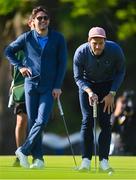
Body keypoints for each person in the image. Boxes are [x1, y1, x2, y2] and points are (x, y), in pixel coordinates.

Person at [5, 6, 67, 169]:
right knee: (33, 123)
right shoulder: (26, 38)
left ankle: (24, 151)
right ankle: (38, 159)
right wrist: (20, 66)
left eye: (45, 18)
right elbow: (9, 51)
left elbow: (62, 64)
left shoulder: (58, 38)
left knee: (42, 120)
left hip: (48, 88)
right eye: (39, 18)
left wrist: (58, 86)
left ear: (49, 21)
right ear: (33, 21)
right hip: (30, 86)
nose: (43, 21)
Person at [73, 27, 125, 171]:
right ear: (89, 41)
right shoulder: (80, 52)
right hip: (86, 85)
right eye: (94, 43)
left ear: (105, 42)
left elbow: (121, 72)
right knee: (87, 121)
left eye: (100, 43)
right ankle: (86, 161)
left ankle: (104, 162)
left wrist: (112, 93)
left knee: (105, 123)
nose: (97, 46)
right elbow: (77, 77)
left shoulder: (115, 50)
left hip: (107, 86)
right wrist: (89, 92)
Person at [8, 15, 35, 167]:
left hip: (38, 87)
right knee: (21, 121)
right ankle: (20, 154)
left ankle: (35, 155)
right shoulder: (19, 44)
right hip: (21, 88)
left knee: (37, 122)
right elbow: (13, 69)